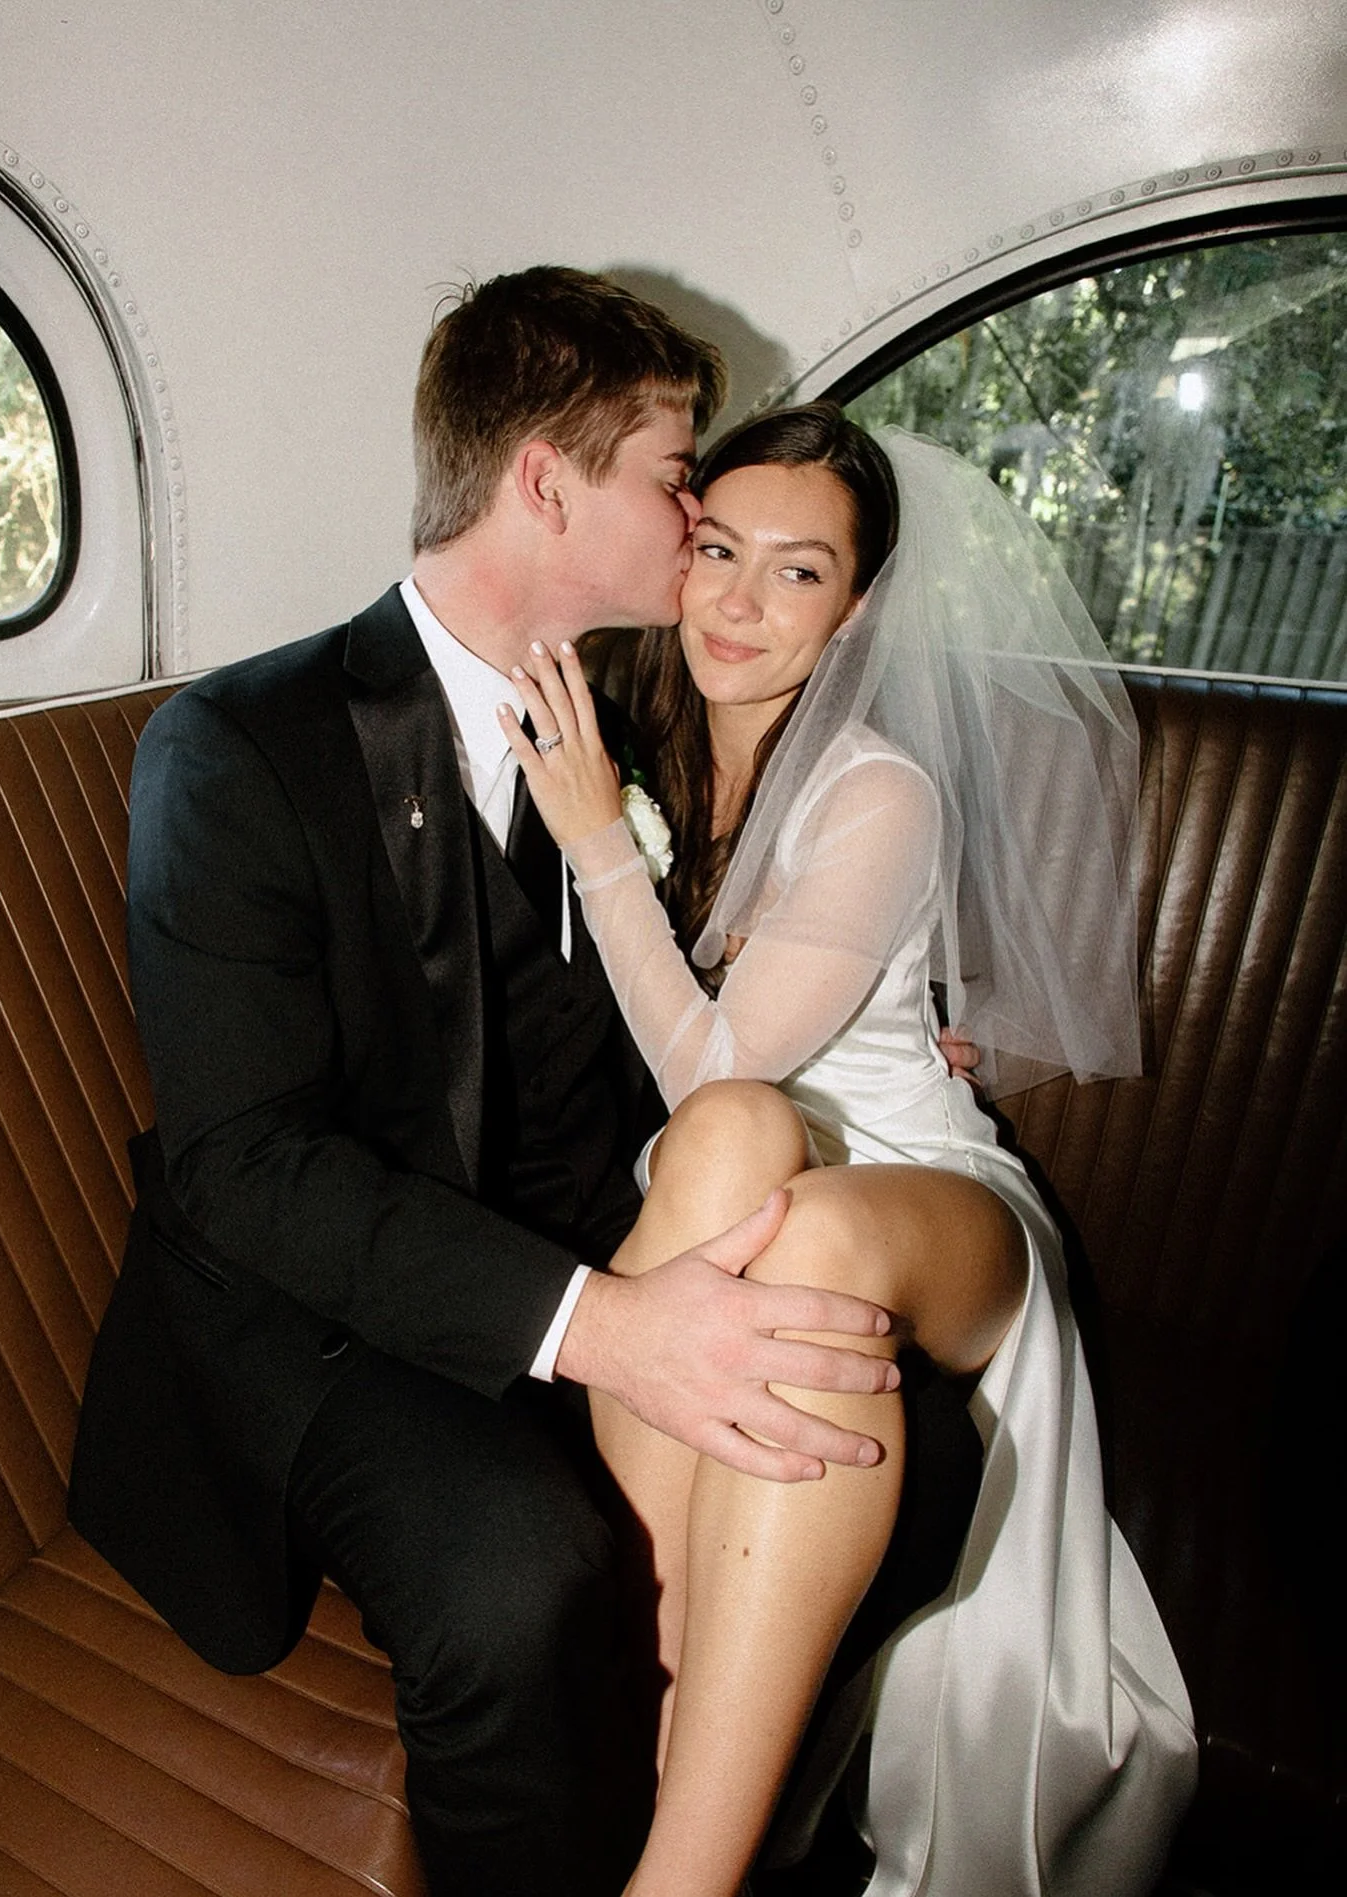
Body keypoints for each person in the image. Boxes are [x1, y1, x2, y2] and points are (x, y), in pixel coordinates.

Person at [68, 271, 984, 1897]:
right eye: (671, 473)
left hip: (568, 1247)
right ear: (548, 485)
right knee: (523, 1568)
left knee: (882, 1438)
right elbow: (245, 1171)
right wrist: (610, 1328)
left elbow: (673, 1031)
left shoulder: (630, 719)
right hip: (319, 1310)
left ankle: (713, 1828)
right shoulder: (236, 747)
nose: (696, 510)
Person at [503, 403, 1199, 1897]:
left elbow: (709, 1056)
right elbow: (707, 1093)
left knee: (776, 1192)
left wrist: (596, 849)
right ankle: (681, 1688)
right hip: (743, 1170)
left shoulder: (880, 790)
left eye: (799, 571)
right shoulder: (642, 749)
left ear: (859, 604)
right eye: (714, 550)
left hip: (934, 1209)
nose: (741, 604)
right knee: (741, 1152)